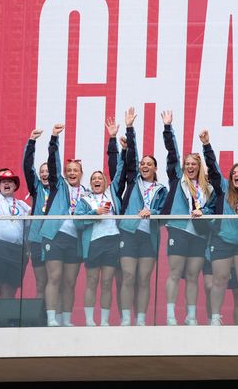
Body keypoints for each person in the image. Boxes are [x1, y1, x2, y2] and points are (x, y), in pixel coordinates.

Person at [75, 116, 130, 326]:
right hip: (93, 243)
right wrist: (94, 214)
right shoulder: (85, 199)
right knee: (91, 281)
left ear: (105, 182)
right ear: (90, 183)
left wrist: (116, 143)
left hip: (112, 241)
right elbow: (78, 222)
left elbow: (119, 170)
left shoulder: (112, 194)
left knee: (107, 282)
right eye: (94, 179)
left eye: (101, 178)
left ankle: (105, 320)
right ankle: (90, 320)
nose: (97, 181)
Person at [200, 130, 238, 326]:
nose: (236, 174)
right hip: (222, 240)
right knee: (220, 279)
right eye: (234, 172)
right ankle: (215, 318)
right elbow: (214, 170)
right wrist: (207, 145)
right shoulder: (224, 187)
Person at [161, 113, 209, 326]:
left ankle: (191, 316)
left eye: (194, 164)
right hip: (179, 229)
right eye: (187, 164)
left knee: (192, 276)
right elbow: (173, 155)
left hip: (198, 233)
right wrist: (168, 127)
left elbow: (210, 208)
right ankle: (171, 315)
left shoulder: (207, 188)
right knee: (175, 272)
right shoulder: (177, 180)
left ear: (199, 167)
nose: (190, 167)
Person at [117, 118, 164, 327]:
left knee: (144, 279)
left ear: (155, 168)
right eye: (142, 164)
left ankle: (141, 319)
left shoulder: (161, 189)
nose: (144, 166)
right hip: (129, 232)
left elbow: (164, 211)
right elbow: (132, 154)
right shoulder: (133, 180)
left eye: (149, 164)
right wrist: (130, 129)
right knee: (128, 276)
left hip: (149, 236)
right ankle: (127, 318)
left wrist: (152, 211)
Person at [39, 122, 87, 327]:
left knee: (69, 281)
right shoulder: (59, 185)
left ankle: (66, 319)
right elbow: (53, 165)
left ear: (81, 173)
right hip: (54, 236)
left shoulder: (86, 192)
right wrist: (54, 139)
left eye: (76, 170)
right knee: (55, 277)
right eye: (69, 170)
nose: (72, 172)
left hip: (74, 239)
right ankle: (52, 317)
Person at [0, 167, 31, 324]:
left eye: (10, 181)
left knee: (9, 289)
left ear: (15, 185)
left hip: (17, 250)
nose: (7, 184)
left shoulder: (23, 205)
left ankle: (1, 322)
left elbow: (31, 226)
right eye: (4, 182)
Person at [22, 128, 53, 318]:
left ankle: (54, 316)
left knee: (56, 280)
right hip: (36, 239)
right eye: (42, 172)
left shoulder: (59, 189)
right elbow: (27, 167)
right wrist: (31, 142)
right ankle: (40, 318)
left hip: (54, 238)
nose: (44, 174)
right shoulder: (36, 188)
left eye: (48, 171)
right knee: (41, 282)